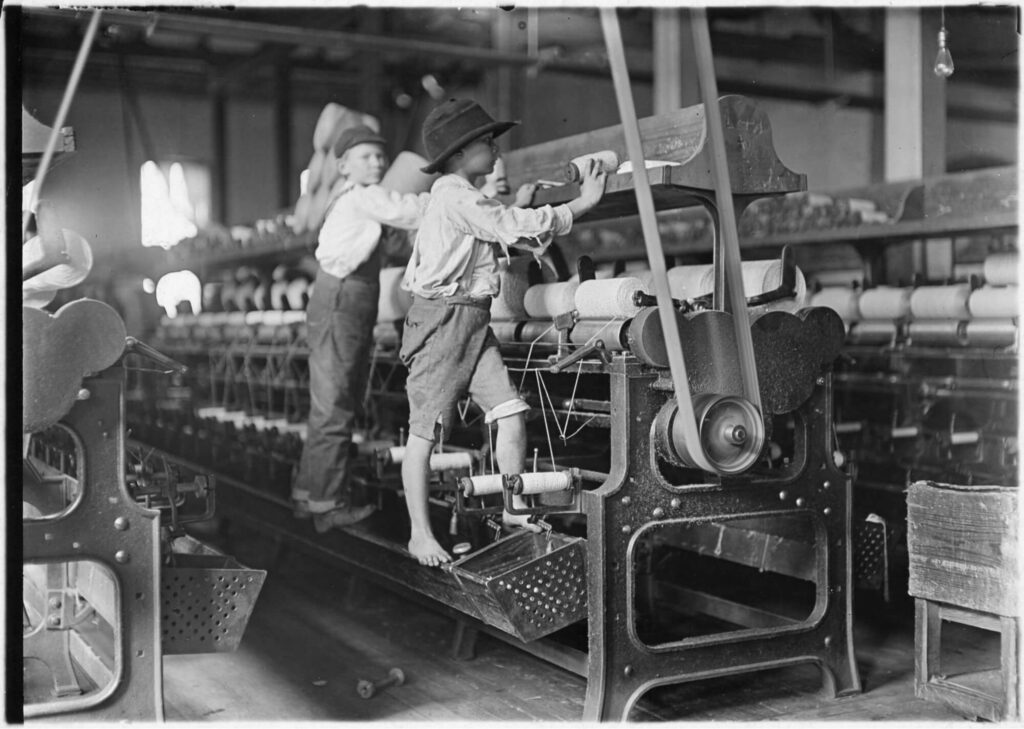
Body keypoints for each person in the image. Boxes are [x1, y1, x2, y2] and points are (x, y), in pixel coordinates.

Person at [399, 98, 607, 566]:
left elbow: (506, 227)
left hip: (472, 319)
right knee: (424, 434)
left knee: (510, 412)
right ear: (457, 155)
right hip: (442, 322)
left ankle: (513, 508)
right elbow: (511, 226)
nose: (496, 151)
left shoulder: (464, 195)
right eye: (486, 143)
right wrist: (582, 204)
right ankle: (418, 534)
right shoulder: (455, 194)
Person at [293, 124, 429, 534]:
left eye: (379, 155)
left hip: (342, 300)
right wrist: (456, 196)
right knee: (335, 405)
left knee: (331, 404)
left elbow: (393, 243)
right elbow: (412, 211)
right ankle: (329, 505)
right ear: (342, 165)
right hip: (343, 302)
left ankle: (310, 494)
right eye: (366, 156)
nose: (377, 162)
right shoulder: (365, 197)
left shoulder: (356, 201)